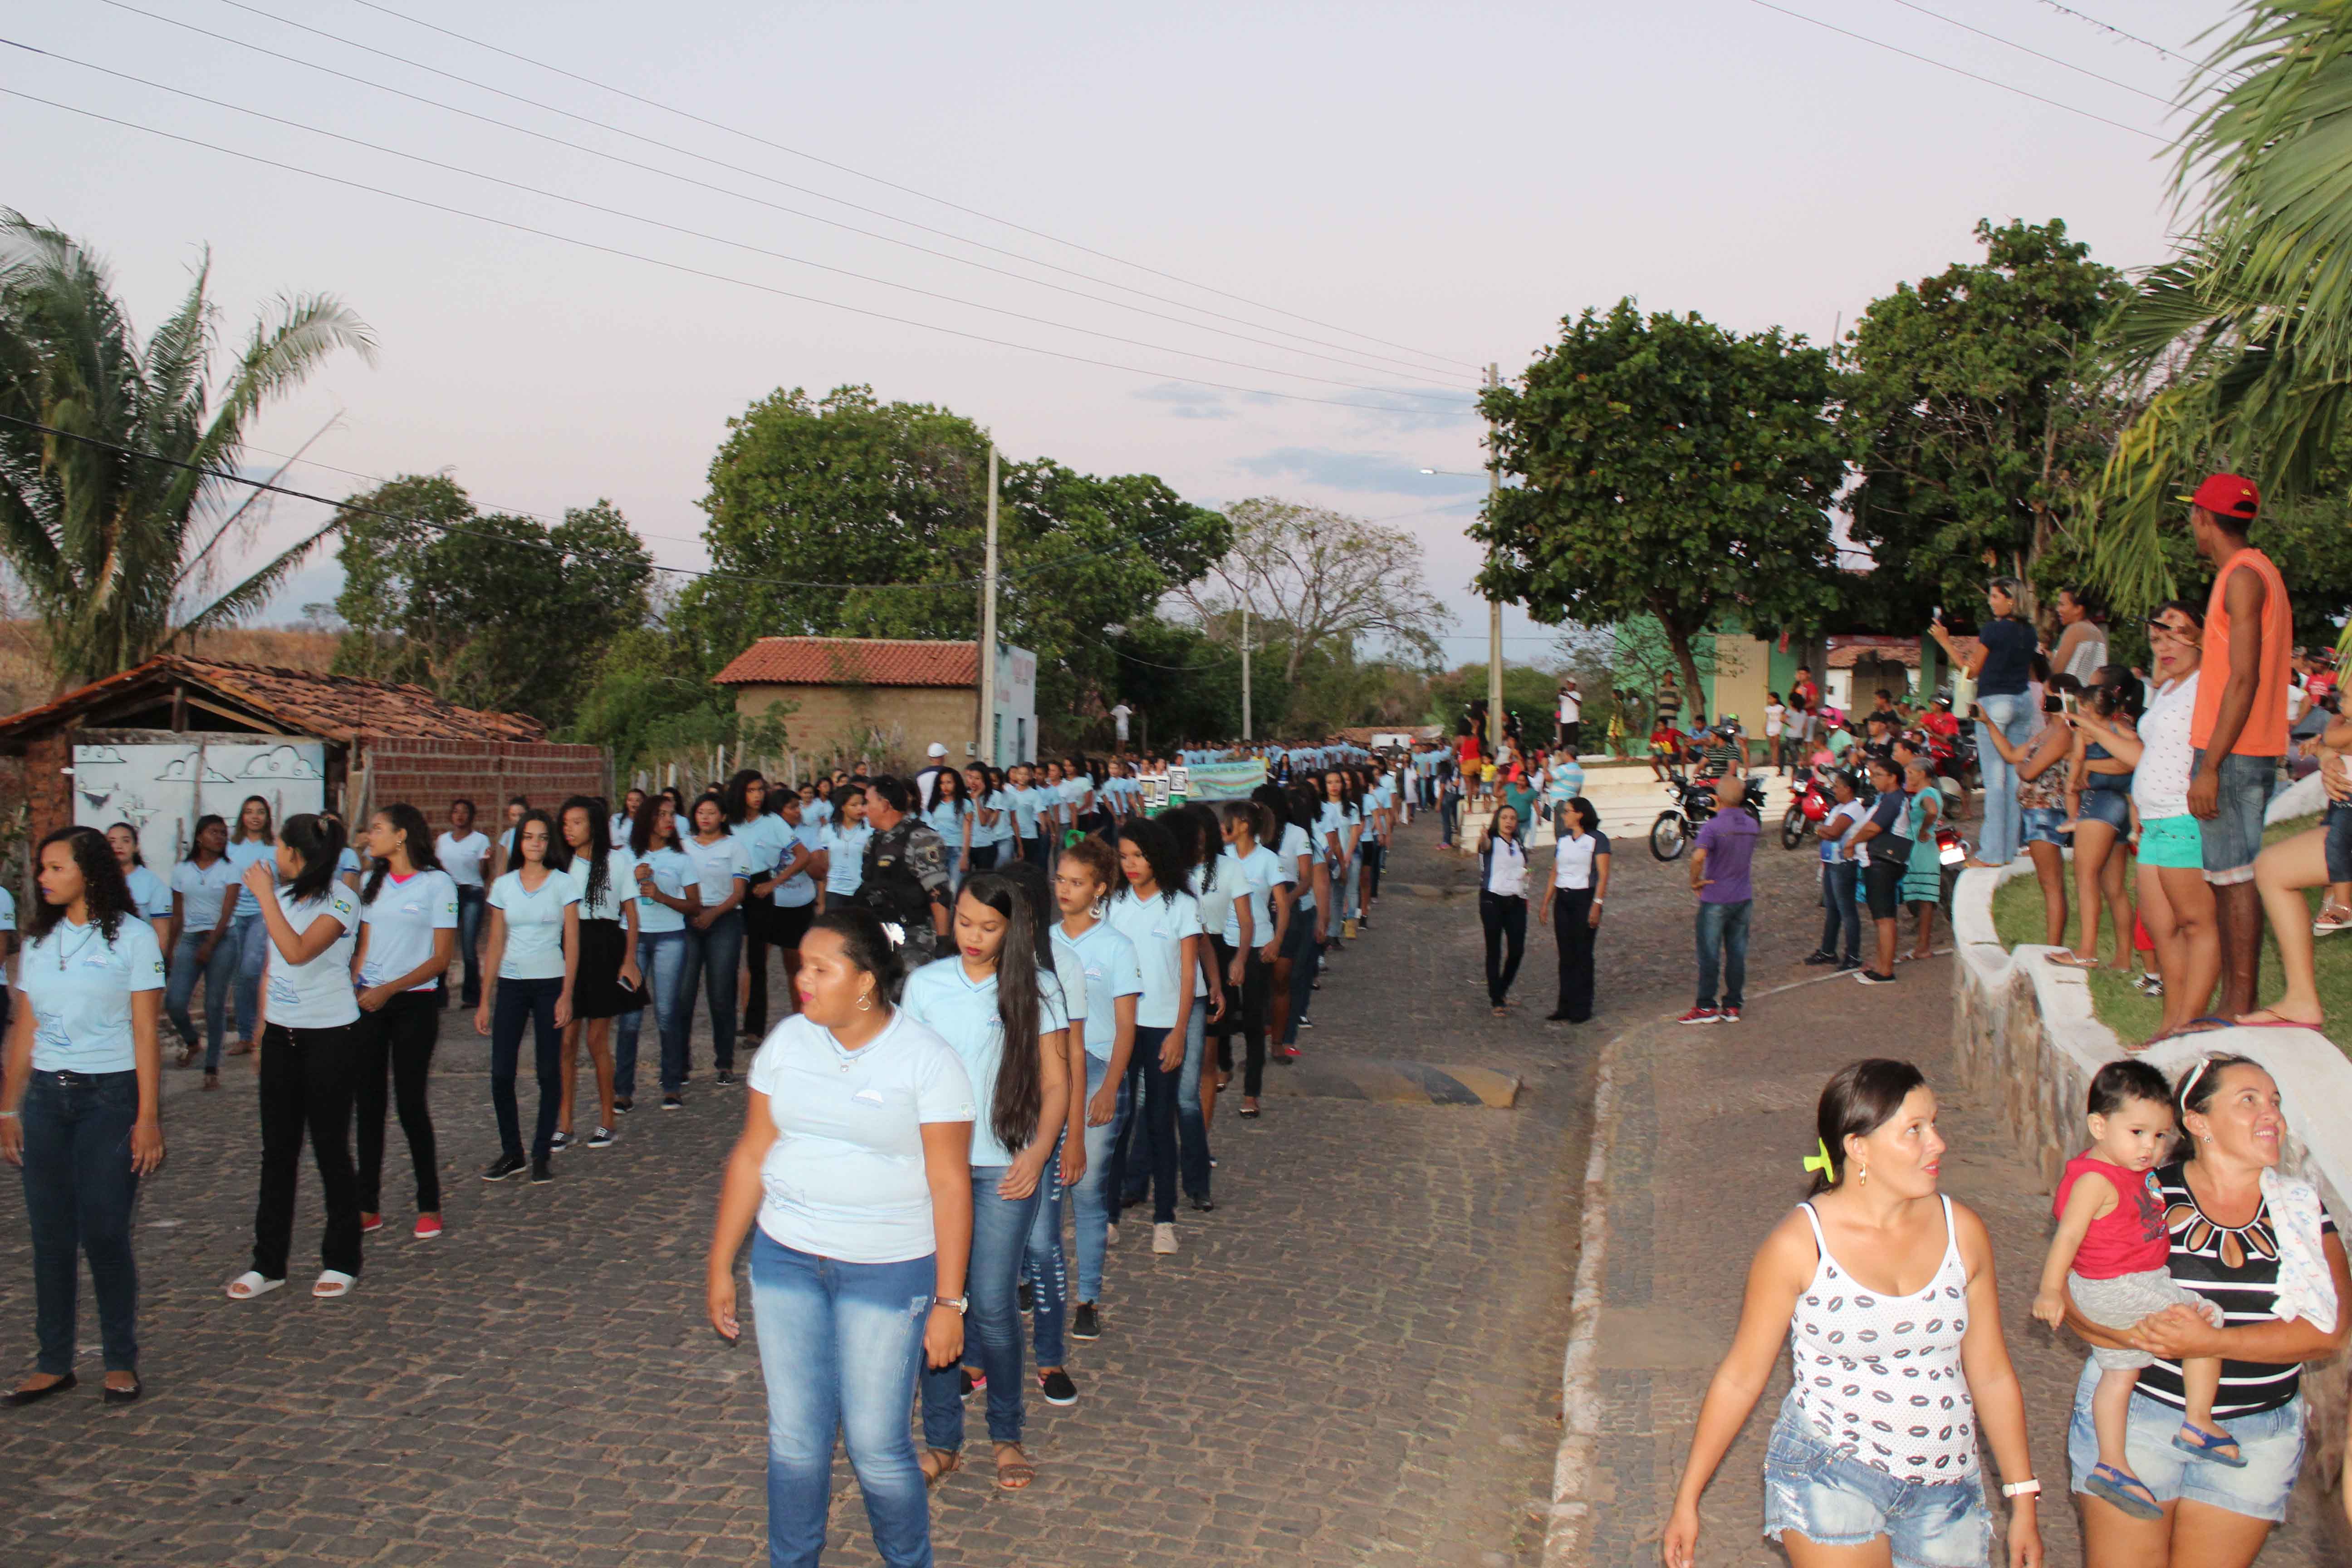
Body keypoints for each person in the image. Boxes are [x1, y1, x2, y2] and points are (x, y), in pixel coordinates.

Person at [1661, 1059, 2045, 1568]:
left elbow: (1992, 1374)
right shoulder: (1799, 1245)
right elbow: (1741, 1376)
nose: (1938, 1143)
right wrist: (1688, 1499)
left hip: (1948, 1487)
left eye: (1934, 1124)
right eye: (1915, 1130)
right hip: (1831, 1475)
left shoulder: (1964, 1232)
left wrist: (2023, 1499)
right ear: (1858, 1147)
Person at [706, 907, 975, 1567]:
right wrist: (720, 1265)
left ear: (864, 982)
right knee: (796, 1440)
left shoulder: (927, 1060)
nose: (802, 979)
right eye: (802, 966)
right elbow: (752, 1152)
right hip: (786, 1260)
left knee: (877, 1446)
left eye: (820, 969)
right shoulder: (787, 1044)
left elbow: (950, 1184)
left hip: (888, 1270)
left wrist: (949, 1302)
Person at [2060, 1055, 2348, 1567]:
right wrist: (2128, 1340)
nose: (2271, 1114)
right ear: (2198, 1122)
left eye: (2275, 1102)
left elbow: (2329, 1333)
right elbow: (2072, 1290)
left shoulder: (2301, 1209)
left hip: (2257, 1438)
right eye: (2249, 1101)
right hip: (2140, 1420)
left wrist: (2211, 1343)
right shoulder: (2144, 1190)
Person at [903, 874, 1070, 1492]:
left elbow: (1056, 1083)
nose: (973, 936)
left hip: (1005, 1164)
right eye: (965, 922)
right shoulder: (925, 985)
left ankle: (1006, 1435)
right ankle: (942, 1442)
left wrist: (1039, 1153)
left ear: (1013, 929)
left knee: (995, 1305)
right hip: (935, 1166)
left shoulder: (1039, 987)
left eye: (989, 927)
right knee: (939, 1303)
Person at [0, 826, 167, 1406]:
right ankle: (54, 1362)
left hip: (110, 1098)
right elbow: (26, 1028)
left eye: (55, 868)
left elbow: (146, 1032)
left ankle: (120, 1359)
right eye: (41, 868)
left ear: (89, 872)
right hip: (47, 1099)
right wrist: (8, 1107)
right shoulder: (40, 942)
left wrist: (148, 1117)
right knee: (50, 1235)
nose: (43, 878)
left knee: (104, 1230)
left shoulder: (134, 939)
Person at [2032, 1060, 2235, 1520]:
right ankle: (2198, 1422)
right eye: (2138, 1133)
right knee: (2205, 1321)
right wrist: (2049, 1290)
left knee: (2120, 1374)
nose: (2150, 1146)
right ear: (2099, 1126)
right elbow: (2068, 1236)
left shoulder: (2127, 1169)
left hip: (2124, 1281)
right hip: (2118, 1284)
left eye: (2160, 1135)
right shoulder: (2095, 1180)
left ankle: (2111, 1463)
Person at [225, 813, 365, 1302]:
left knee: (330, 1148)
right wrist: (261, 1032)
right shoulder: (284, 898)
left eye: (280, 847)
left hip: (330, 1036)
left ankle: (342, 1259)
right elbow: (272, 967)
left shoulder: (344, 899)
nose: (273, 857)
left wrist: (264, 896)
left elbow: (299, 950)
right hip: (281, 1037)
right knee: (277, 1152)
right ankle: (268, 1263)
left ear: (296, 854)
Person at [2073, 602, 2219, 1044]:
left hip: (2183, 817)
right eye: (2157, 638)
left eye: (2177, 634)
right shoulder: (2169, 691)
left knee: (2195, 924)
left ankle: (2188, 1023)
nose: (2165, 645)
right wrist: (2097, 730)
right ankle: (2171, 1024)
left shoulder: (2208, 685)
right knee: (2161, 928)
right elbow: (2145, 757)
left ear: (2201, 636)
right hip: (2154, 824)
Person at [2183, 475, 2293, 1021]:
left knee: (2234, 878)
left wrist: (2211, 765)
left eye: (2194, 514)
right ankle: (2235, 1003)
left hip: (2232, 752)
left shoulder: (2243, 578)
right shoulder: (2256, 570)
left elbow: (2244, 679)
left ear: (2205, 518)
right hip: (2243, 749)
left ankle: (2237, 1007)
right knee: (2228, 877)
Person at [350, 805, 456, 1242]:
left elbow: (441, 958)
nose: (369, 835)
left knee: (411, 1104)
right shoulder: (369, 883)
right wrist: (355, 988)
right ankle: (367, 1205)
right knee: (369, 1106)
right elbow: (363, 947)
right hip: (369, 1004)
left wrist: (390, 989)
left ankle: (429, 1204)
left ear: (401, 835)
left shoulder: (438, 884)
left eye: (377, 828)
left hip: (415, 1004)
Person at [1052, 837, 1142, 1343]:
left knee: (1086, 1190)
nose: (1066, 890)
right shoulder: (1042, 942)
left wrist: (1109, 1087)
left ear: (1100, 889)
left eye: (1077, 882)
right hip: (1049, 1074)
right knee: (1039, 1187)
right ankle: (1034, 1282)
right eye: (1061, 880)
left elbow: (1127, 1026)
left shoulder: (1116, 947)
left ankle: (1087, 1298)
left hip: (1099, 1069)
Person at [1102, 817, 1201, 1256]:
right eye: (1124, 857)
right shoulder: (1113, 904)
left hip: (1163, 1027)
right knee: (1117, 1122)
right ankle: (1108, 1217)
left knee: (1160, 1122)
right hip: (1120, 1028)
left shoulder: (1181, 905)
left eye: (1138, 856)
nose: (1131, 865)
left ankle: (1165, 1219)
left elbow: (1187, 975)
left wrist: (1180, 1031)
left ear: (1157, 857)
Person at [475, 809, 579, 1183]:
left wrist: (567, 994)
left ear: (550, 843)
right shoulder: (503, 886)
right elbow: (495, 942)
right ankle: (512, 1152)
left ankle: (541, 1153)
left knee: (548, 1071)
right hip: (512, 984)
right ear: (519, 842)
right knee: (502, 1072)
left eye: (542, 837)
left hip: (551, 982)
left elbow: (572, 941)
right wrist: (485, 999)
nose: (535, 844)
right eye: (529, 837)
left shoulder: (563, 883)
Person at [553, 796, 641, 1152]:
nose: (569, 830)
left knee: (596, 1040)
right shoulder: (560, 864)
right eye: (565, 823)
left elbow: (631, 915)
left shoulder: (617, 861)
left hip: (605, 948)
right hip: (568, 948)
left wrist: (629, 960)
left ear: (593, 824)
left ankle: (607, 1121)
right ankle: (565, 1124)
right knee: (566, 1041)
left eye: (577, 822)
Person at [1932, 578, 2038, 868]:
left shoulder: (1993, 629)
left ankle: (1992, 853)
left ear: (2010, 600)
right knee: (2014, 779)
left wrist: (1944, 641)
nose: (1991, 602)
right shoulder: (2029, 632)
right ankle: (2010, 848)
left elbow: (1971, 670)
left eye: (1995, 596)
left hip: (1995, 703)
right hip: (2022, 701)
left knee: (1995, 781)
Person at [2041, 673, 2140, 973]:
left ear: (2085, 709)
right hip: (2122, 803)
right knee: (2115, 887)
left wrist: (2079, 774)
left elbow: (2078, 767)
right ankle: (2123, 958)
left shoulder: (2087, 734)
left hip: (2099, 804)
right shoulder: (2122, 730)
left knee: (2086, 877)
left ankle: (2087, 951)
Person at [1975, 688, 2076, 951]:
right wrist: (1988, 723)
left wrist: (2021, 768)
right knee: (2048, 883)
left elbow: (2028, 771)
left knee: (2052, 884)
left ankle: (2053, 946)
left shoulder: (2063, 733)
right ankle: (2052, 945)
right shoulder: (2049, 731)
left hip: (2047, 811)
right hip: (2035, 811)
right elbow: (2011, 755)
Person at [617, 797, 694, 1112]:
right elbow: (611, 899)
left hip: (670, 938)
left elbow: (694, 905)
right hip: (631, 937)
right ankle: (622, 1091)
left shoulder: (681, 858)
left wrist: (662, 896)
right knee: (629, 1015)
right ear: (647, 819)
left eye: (671, 815)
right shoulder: (625, 856)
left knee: (667, 1012)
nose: (668, 820)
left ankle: (672, 1085)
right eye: (661, 815)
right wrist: (632, 880)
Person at [677, 791, 752, 1089]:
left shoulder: (735, 847)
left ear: (723, 817)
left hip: (724, 920)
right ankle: (680, 1062)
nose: (705, 818)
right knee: (684, 995)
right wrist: (694, 912)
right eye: (700, 813)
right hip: (688, 920)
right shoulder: (682, 846)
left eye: (711, 812)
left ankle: (725, 1062)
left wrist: (712, 914)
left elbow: (739, 892)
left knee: (721, 994)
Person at [164, 813, 240, 1088]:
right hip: (190, 939)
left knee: (214, 1005)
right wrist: (169, 950)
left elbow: (227, 912)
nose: (220, 837)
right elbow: (177, 915)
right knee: (174, 1002)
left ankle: (211, 1067)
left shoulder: (230, 870)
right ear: (199, 837)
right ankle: (192, 1041)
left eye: (223, 833)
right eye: (214, 832)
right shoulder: (182, 871)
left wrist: (210, 945)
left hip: (223, 939)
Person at [1677, 772, 1759, 1024]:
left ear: (1718, 796)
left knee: (1709, 954)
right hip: (1743, 895)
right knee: (1737, 953)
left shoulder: (1712, 827)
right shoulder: (1752, 825)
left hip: (1716, 896)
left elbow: (1698, 857)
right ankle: (1733, 1004)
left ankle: (1706, 1006)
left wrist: (1695, 881)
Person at [1218, 799, 1282, 1115]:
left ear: (1243, 825)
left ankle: (1251, 1092)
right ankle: (1224, 1064)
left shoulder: (1268, 860)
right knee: (1221, 1012)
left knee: (1255, 1020)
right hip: (1224, 942)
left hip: (1259, 947)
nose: (1222, 827)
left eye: (1227, 821)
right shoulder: (1222, 857)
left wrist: (1277, 942)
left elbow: (1283, 905)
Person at [748, 790, 821, 1036]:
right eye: (793, 807)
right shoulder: (763, 831)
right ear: (778, 811)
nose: (799, 812)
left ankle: (802, 1020)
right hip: (769, 904)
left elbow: (820, 872)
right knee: (755, 964)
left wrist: (807, 859)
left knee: (796, 967)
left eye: (799, 806)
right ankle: (751, 1025)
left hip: (799, 904)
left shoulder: (808, 833)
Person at [860, 777, 954, 966]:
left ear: (885, 805)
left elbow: (938, 892)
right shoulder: (875, 842)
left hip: (915, 938)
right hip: (881, 933)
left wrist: (943, 941)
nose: (864, 809)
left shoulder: (921, 839)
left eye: (868, 803)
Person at [725, 772, 790, 1041]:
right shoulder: (728, 821)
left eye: (761, 790)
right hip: (728, 888)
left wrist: (773, 883)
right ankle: (727, 1024)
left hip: (760, 887)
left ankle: (755, 1028)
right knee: (726, 960)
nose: (757, 795)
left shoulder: (773, 821)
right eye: (751, 790)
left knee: (757, 962)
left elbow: (802, 856)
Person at [1537, 795, 1607, 1024]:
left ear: (1580, 814)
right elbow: (1555, 872)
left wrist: (1597, 904)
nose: (1564, 815)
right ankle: (1565, 1005)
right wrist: (1546, 902)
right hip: (1564, 898)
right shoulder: (1564, 839)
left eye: (1567, 811)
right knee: (1566, 954)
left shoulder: (1597, 839)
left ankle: (1582, 1006)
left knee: (1582, 953)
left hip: (1584, 898)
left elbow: (1603, 875)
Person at [1847, 756, 1912, 987]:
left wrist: (1852, 842)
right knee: (1882, 917)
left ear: (1893, 778)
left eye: (1878, 775)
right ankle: (1881, 963)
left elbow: (1873, 828)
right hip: (1879, 862)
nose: (1873, 780)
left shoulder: (1893, 800)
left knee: (1884, 918)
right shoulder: (1889, 798)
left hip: (1881, 863)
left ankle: (1885, 971)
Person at [224, 794, 277, 1057]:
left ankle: (263, 1031)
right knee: (240, 976)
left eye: (260, 812)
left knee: (251, 970)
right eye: (249, 812)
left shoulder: (275, 849)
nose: (255, 817)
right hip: (234, 916)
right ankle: (246, 1036)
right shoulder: (230, 849)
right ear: (242, 817)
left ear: (267, 817)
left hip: (262, 915)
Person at [1803, 770, 1870, 972]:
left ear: (1848, 789)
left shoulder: (1853, 809)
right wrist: (1824, 831)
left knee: (1846, 910)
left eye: (1837, 786)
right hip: (1832, 862)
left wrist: (1821, 830)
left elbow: (1833, 832)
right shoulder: (1840, 808)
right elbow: (1828, 831)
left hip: (1843, 864)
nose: (1834, 790)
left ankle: (1853, 955)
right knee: (1833, 909)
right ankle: (1828, 950)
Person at [436, 800, 491, 1010]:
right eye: (456, 812)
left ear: (472, 816)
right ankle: (439, 996)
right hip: (448, 894)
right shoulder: (442, 840)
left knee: (468, 946)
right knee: (442, 944)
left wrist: (486, 861)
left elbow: (484, 874)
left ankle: (472, 996)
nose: (460, 816)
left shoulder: (481, 840)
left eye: (465, 812)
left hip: (471, 893)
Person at [1476, 803, 1529, 1017]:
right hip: (1493, 900)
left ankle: (1502, 988)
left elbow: (1523, 869)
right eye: (1505, 817)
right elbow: (1484, 846)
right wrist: (1483, 837)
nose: (1509, 822)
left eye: (1513, 818)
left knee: (1517, 950)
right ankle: (1496, 999)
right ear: (1498, 820)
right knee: (1494, 949)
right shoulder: (1492, 840)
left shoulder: (1518, 844)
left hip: (1516, 900)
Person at [1899, 758, 1946, 961]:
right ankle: (1922, 945)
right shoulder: (1926, 793)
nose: (1907, 776)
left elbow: (1932, 811)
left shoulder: (1927, 794)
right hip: (1920, 848)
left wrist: (1924, 829)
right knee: (1923, 899)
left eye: (1911, 773)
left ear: (1922, 774)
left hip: (1923, 849)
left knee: (1926, 900)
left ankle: (1923, 946)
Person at [105, 824, 171, 944]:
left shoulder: (152, 883)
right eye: (112, 842)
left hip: (139, 948)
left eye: (126, 841)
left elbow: (162, 934)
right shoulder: (96, 880)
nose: (118, 846)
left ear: (136, 847)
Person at [817, 784, 871, 913]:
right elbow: (823, 868)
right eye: (854, 805)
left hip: (861, 891)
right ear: (842, 807)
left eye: (863, 804)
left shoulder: (871, 830)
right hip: (834, 892)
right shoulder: (828, 831)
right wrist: (821, 902)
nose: (860, 809)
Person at [923, 765, 975, 894]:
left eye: (949, 782)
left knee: (954, 889)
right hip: (937, 850)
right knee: (937, 890)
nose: (945, 786)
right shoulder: (934, 804)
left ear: (956, 784)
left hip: (957, 851)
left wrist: (965, 856)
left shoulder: (965, 804)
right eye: (942, 783)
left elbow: (968, 832)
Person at [2054, 585, 2110, 686]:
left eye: (2062, 605)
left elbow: (2057, 672)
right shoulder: (2098, 633)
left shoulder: (2075, 629)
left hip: (2068, 692)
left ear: (2079, 609)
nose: (2058, 609)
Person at [1557, 678, 1582, 754]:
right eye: (1568, 684)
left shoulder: (1577, 694)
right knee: (1565, 742)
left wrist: (1569, 696)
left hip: (1574, 720)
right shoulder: (1563, 695)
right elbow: (1557, 700)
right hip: (1564, 721)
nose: (1570, 686)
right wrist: (1560, 693)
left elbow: (1579, 704)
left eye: (1572, 684)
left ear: (1574, 685)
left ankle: (1574, 756)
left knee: (1573, 742)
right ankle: (1566, 756)